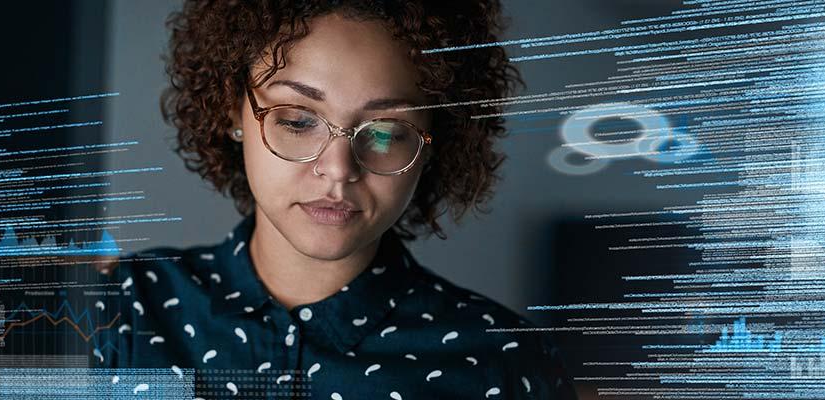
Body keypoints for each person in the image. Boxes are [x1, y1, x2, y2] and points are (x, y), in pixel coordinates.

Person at [93, 1, 577, 399]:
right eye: (298, 121)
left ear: (434, 144)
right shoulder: (116, 310)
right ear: (230, 109)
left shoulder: (506, 361)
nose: (339, 169)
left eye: (386, 133)